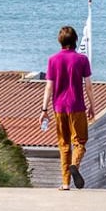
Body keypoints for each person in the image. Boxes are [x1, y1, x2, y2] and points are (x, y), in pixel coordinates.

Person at [40, 25, 94, 190]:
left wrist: (44, 110)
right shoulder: (82, 59)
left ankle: (65, 183)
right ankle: (75, 165)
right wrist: (92, 105)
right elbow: (89, 86)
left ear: (60, 41)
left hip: (59, 108)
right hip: (77, 106)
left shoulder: (53, 60)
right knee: (80, 141)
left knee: (64, 144)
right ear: (76, 40)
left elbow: (49, 87)